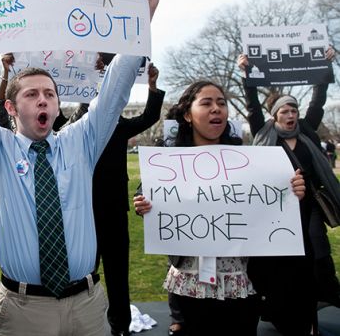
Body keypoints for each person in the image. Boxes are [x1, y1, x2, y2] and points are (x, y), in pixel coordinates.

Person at [0, 0, 159, 336]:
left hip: (86, 306)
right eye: (32, 94)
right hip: (23, 310)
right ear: (11, 107)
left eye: (49, 94)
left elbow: (114, 92)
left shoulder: (79, 141)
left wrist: (139, 20)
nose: (43, 101)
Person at [133, 81, 306, 336]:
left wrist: (292, 191)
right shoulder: (168, 158)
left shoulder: (248, 158)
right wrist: (142, 202)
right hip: (190, 283)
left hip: (240, 282)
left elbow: (270, 199)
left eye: (221, 103)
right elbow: (145, 191)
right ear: (187, 114)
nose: (217, 109)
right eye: (206, 103)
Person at [238, 50, 340, 335]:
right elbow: (252, 106)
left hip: (308, 211)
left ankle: (312, 315)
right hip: (273, 213)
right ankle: (278, 310)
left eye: (294, 110)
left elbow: (318, 101)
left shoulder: (307, 131)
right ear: (274, 117)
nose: (291, 115)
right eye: (285, 111)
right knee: (278, 267)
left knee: (316, 260)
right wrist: (248, 74)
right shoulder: (263, 133)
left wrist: (326, 65)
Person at [65, 54, 165, 335]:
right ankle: (84, 323)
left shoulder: (120, 126)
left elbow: (149, 116)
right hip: (84, 211)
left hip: (115, 211)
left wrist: (153, 87)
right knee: (85, 274)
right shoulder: (77, 127)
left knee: (118, 272)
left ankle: (120, 325)